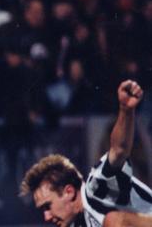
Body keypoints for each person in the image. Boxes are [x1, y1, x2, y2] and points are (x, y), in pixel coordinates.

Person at [20, 80, 152, 227]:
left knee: (113, 221)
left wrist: (125, 110)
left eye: (47, 206)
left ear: (69, 192)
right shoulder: (76, 223)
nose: (46, 217)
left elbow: (119, 149)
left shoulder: (97, 187)